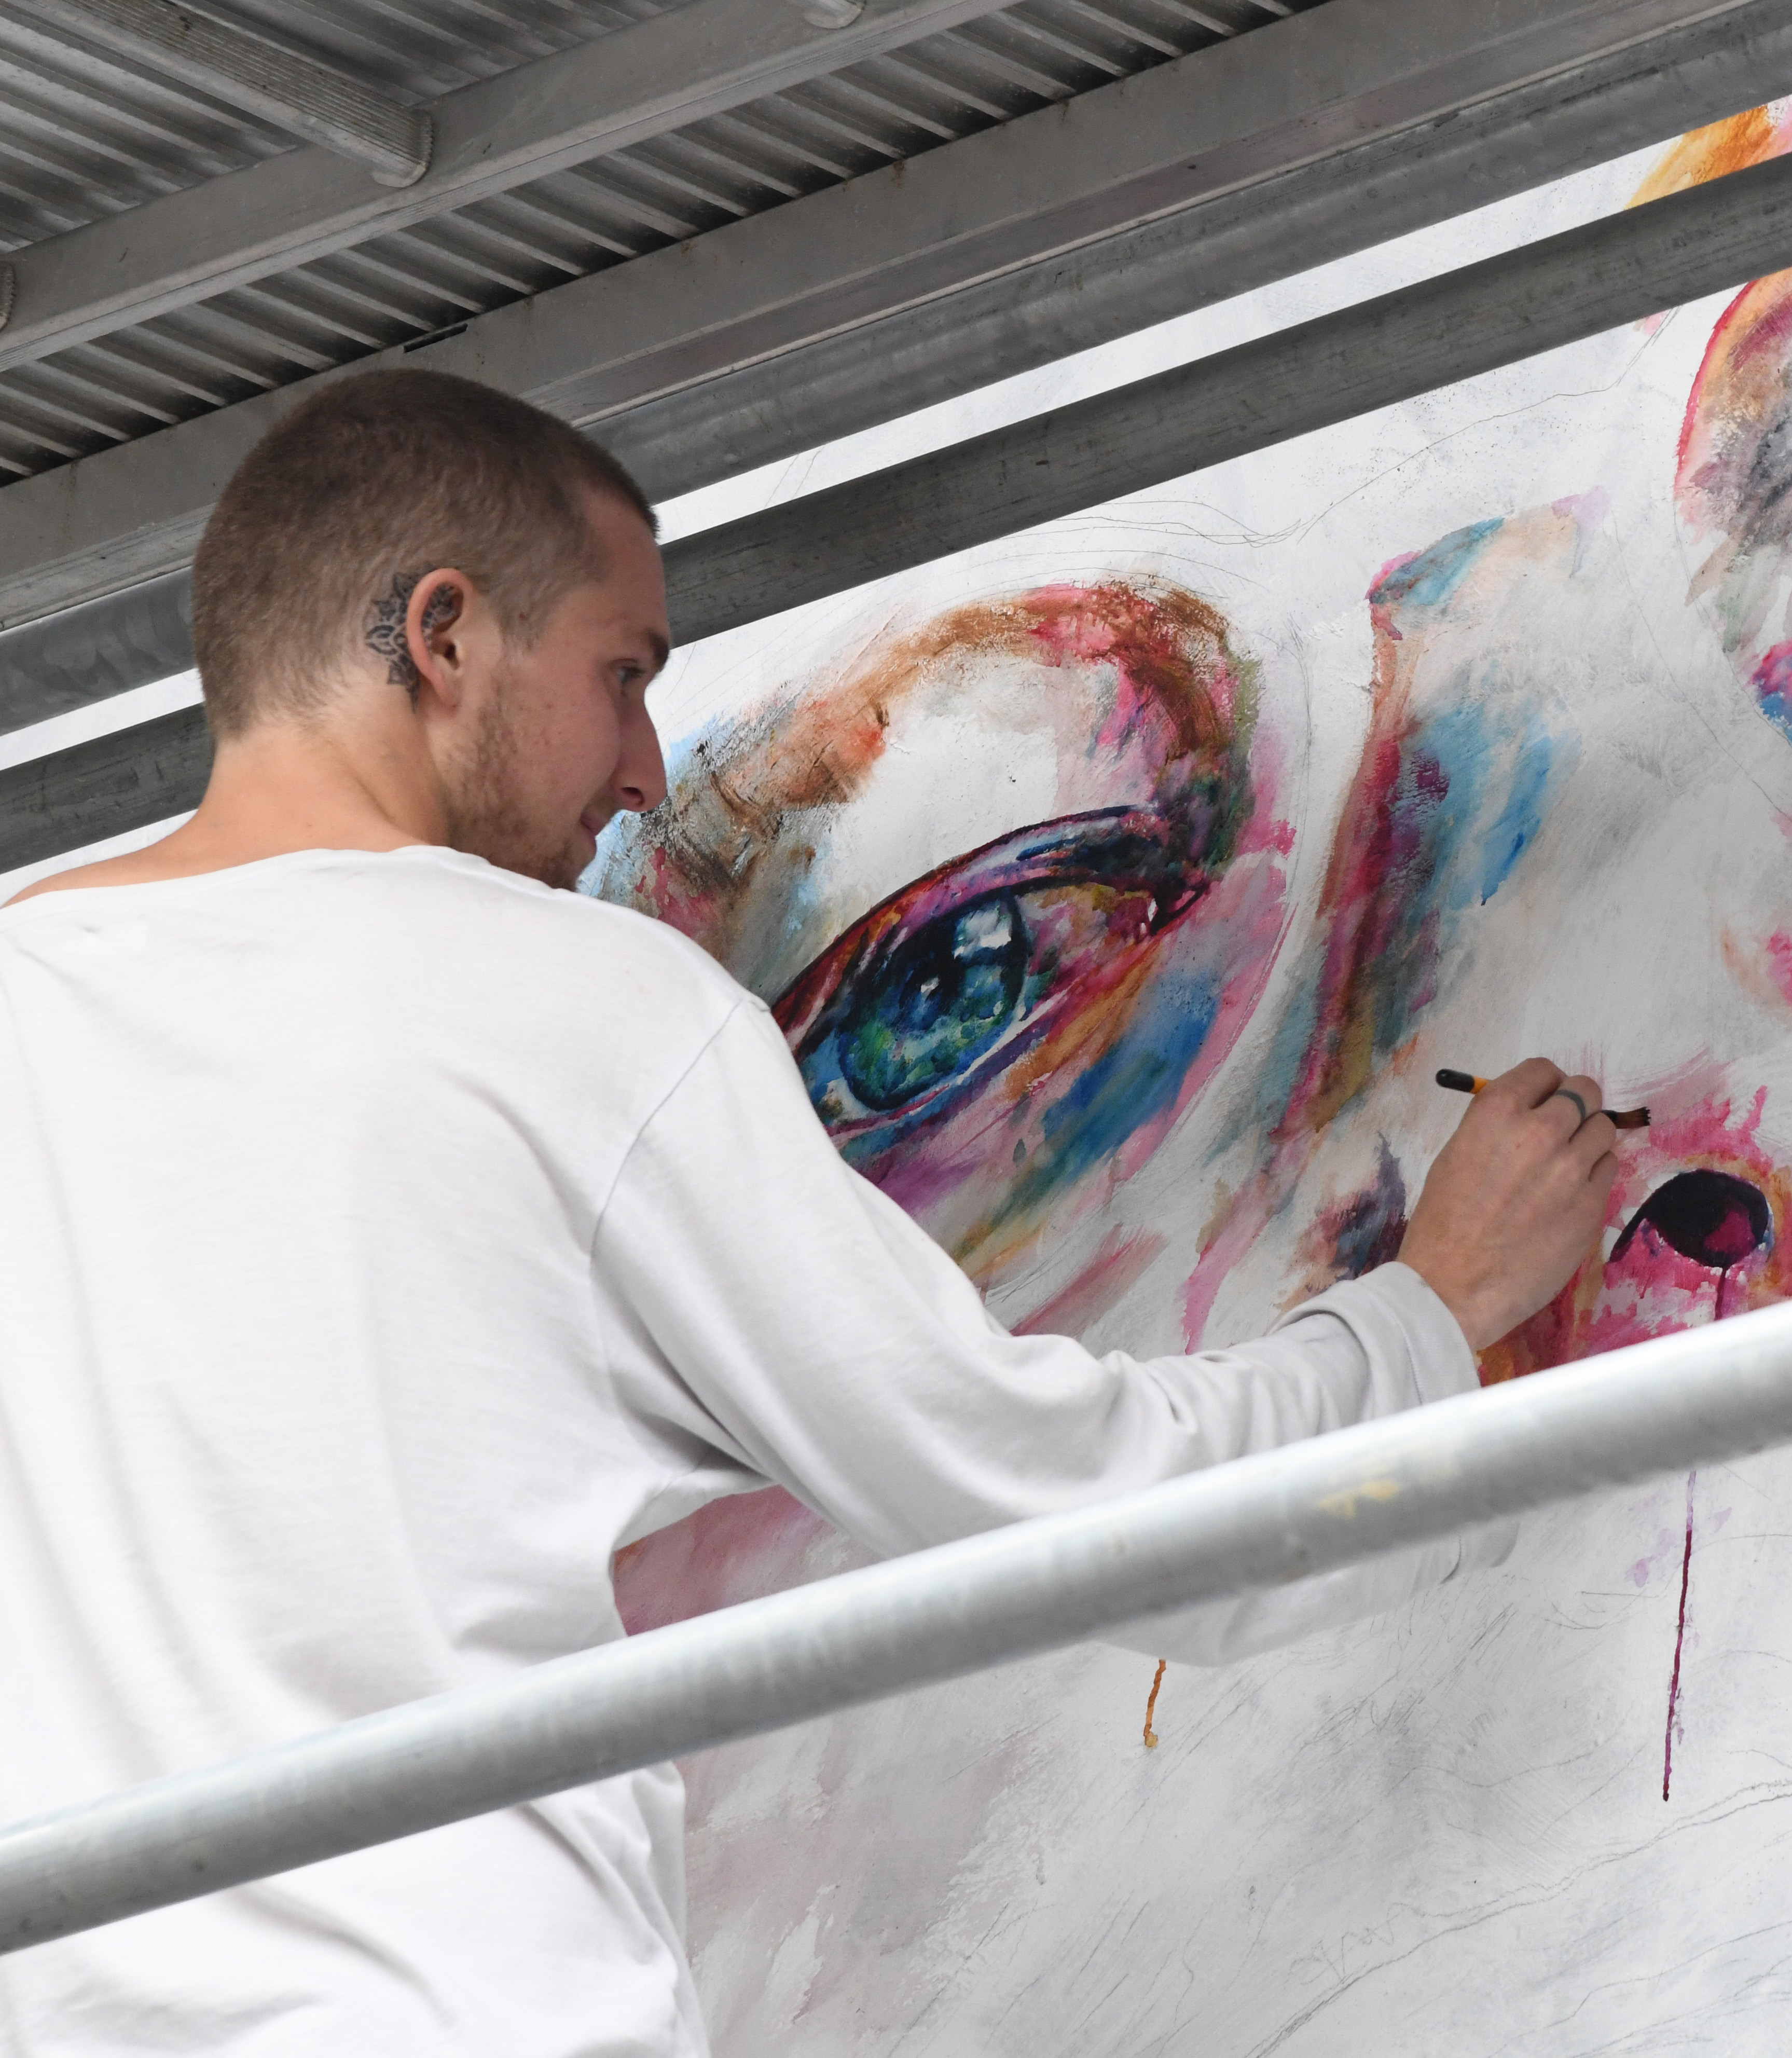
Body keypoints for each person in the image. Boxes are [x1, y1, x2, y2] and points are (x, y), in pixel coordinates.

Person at [0, 368, 1620, 2054]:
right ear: (445, 634)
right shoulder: (565, 1003)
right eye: (622, 674)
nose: (642, 769)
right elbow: (1065, 1507)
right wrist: (1426, 1311)